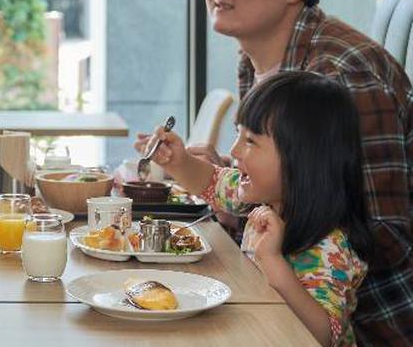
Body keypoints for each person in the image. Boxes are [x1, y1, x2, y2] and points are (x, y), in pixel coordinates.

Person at [141, 0, 412, 344]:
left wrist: (274, 240)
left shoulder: (341, 76)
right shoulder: (261, 60)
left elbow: (386, 236)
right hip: (265, 302)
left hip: (364, 325)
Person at [151, 71, 372, 346]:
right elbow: (212, 181)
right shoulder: (263, 196)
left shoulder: (329, 246)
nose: (234, 151)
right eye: (237, 134)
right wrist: (178, 161)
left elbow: (322, 334)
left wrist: (273, 262)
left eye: (251, 141)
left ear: (301, 160)